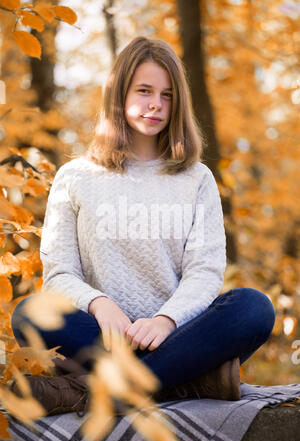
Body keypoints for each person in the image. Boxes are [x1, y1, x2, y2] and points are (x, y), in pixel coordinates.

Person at [11, 36, 275, 416]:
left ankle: (96, 389)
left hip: (180, 335)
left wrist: (165, 321)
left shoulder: (196, 179)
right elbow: (59, 274)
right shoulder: (75, 177)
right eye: (144, 90)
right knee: (30, 312)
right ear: (118, 94)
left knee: (253, 308)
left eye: (167, 95)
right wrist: (101, 306)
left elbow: (204, 272)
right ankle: (187, 381)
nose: (156, 104)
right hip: (100, 337)